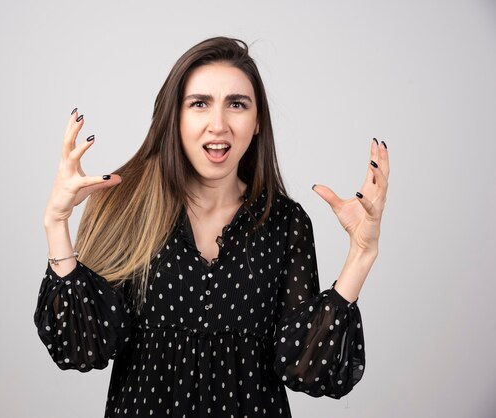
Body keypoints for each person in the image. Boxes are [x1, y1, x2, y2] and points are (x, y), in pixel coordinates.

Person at [34, 36, 389, 417]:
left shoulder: (285, 222)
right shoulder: (126, 205)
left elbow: (305, 366)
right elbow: (84, 348)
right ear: (176, 117)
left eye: (236, 105)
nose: (218, 124)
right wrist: (57, 223)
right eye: (199, 104)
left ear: (256, 124)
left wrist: (361, 254)